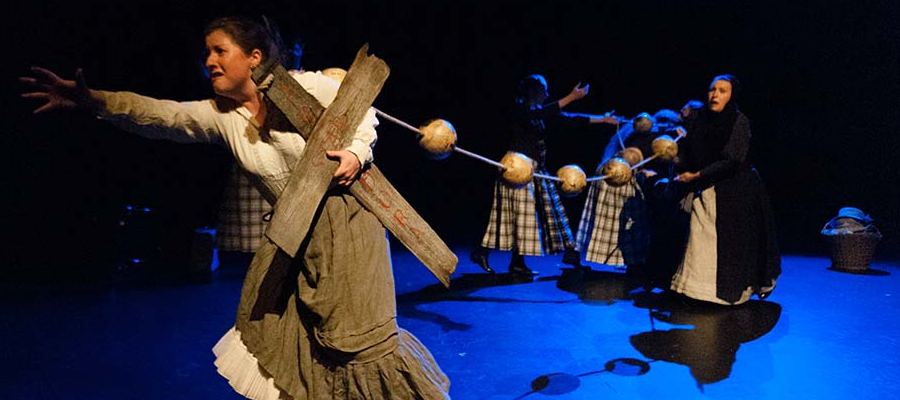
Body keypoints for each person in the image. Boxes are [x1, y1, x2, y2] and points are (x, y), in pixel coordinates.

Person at [21, 16, 450, 400]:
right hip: (297, 239)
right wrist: (93, 100)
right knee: (302, 338)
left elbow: (363, 112)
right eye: (207, 52)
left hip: (351, 227)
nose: (209, 61)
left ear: (254, 56)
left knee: (357, 341)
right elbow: (161, 115)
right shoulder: (223, 117)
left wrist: (356, 153)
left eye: (220, 50)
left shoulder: (306, 87)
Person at [470, 74, 617, 276]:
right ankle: (490, 254)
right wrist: (571, 97)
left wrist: (602, 119)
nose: (547, 94)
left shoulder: (541, 113)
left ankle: (568, 254)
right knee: (515, 216)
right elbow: (536, 114)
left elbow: (568, 119)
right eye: (544, 90)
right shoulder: (520, 108)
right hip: (516, 168)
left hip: (535, 169)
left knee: (552, 210)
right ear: (533, 91)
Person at [670, 74, 780, 305]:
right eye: (712, 90)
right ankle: (699, 292)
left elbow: (733, 160)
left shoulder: (739, 121)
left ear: (732, 96)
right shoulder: (700, 119)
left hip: (736, 190)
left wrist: (697, 175)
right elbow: (690, 151)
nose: (715, 95)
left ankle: (729, 294)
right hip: (706, 188)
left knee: (731, 242)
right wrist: (676, 153)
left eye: (722, 91)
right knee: (701, 237)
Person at [574, 113, 654, 278]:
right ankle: (575, 254)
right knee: (599, 220)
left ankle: (633, 262)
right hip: (613, 175)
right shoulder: (629, 132)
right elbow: (613, 152)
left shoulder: (653, 136)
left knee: (628, 222)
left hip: (624, 176)